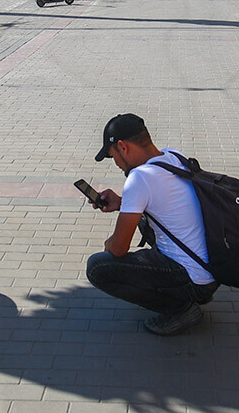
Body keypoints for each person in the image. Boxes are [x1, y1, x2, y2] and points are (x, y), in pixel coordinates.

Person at [84, 113, 219, 335]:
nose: (116, 164)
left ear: (123, 147)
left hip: (191, 279)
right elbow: (164, 202)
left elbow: (118, 248)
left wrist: (107, 245)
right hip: (212, 269)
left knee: (98, 267)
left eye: (113, 157)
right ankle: (191, 293)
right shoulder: (173, 156)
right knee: (143, 222)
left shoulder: (139, 178)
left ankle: (181, 308)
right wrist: (121, 203)